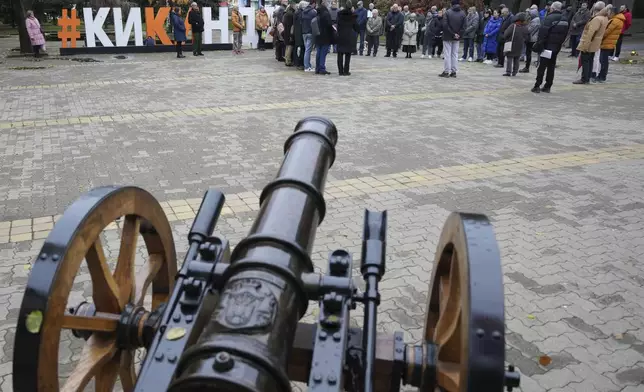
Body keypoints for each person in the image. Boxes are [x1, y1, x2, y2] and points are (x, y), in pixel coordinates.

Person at [531, 1, 568, 92]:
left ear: (553, 8)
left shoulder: (549, 18)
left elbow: (543, 33)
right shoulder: (565, 19)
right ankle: (548, 86)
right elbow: (565, 34)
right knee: (551, 66)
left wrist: (539, 44)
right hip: (557, 47)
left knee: (542, 66)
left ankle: (537, 85)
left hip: (547, 47)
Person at [574, 3, 608, 84]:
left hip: (590, 43)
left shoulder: (597, 19)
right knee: (590, 60)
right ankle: (587, 77)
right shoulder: (604, 18)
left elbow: (591, 33)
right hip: (595, 43)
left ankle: (584, 78)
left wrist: (585, 45)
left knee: (585, 61)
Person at [439, 0, 466, 78]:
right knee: (455, 54)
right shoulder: (463, 13)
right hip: (457, 37)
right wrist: (458, 34)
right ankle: (454, 71)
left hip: (447, 36)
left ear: (451, 4)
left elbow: (445, 25)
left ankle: (446, 71)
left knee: (447, 54)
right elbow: (464, 26)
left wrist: (453, 33)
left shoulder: (447, 12)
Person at [598, 6, 624, 82]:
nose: (607, 14)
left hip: (608, 43)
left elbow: (606, 32)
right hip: (607, 42)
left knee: (603, 61)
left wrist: (599, 37)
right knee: (602, 60)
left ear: (612, 13)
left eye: (609, 12)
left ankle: (602, 77)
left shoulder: (615, 21)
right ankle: (601, 75)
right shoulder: (614, 20)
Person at [337, 1, 359, 74]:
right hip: (349, 36)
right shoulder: (353, 16)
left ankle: (340, 71)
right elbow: (356, 27)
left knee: (340, 53)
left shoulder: (340, 14)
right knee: (347, 54)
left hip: (341, 36)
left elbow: (338, 24)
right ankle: (346, 71)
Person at [315, 0, 334, 74]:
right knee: (323, 52)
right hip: (325, 35)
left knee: (318, 52)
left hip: (318, 34)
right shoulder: (326, 13)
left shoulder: (317, 13)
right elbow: (329, 25)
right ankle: (322, 68)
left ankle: (317, 68)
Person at [519, 8, 540, 73]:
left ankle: (527, 67)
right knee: (528, 53)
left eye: (530, 14)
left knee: (528, 53)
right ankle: (527, 66)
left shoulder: (535, 21)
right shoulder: (535, 20)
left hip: (531, 39)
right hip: (532, 38)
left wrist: (525, 26)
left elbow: (529, 30)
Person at [301, 0, 317, 71]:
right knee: (308, 50)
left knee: (306, 50)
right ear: (313, 4)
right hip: (310, 32)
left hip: (304, 32)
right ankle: (307, 66)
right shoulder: (313, 12)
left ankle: (308, 65)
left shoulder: (303, 12)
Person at [283, 1, 296, 65]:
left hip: (286, 32)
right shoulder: (292, 14)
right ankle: (288, 61)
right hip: (290, 32)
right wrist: (292, 34)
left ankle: (286, 59)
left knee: (287, 46)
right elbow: (292, 25)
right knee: (290, 47)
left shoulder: (286, 14)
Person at [294, 2, 306, 69]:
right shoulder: (300, 13)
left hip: (297, 33)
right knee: (302, 49)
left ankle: (298, 63)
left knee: (298, 49)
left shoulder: (296, 12)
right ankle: (300, 63)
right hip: (300, 33)